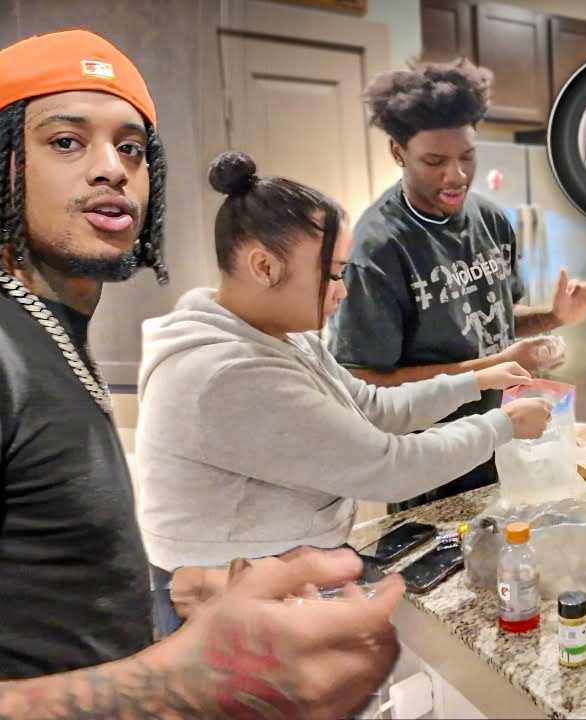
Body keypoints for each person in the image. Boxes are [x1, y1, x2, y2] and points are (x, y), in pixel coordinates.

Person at [0, 30, 402, 719]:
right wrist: (183, 680)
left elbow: (45, 610)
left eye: (129, 147)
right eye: (66, 141)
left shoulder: (46, 335)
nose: (111, 169)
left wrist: (188, 602)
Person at [135, 150, 554, 637]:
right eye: (332, 275)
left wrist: (477, 381)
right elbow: (389, 465)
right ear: (265, 266)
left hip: (273, 579)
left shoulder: (280, 335)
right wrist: (503, 425)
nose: (343, 291)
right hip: (222, 602)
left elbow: (370, 407)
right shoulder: (226, 374)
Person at [326, 57, 586, 511]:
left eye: (467, 157)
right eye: (435, 161)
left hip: (510, 441)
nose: (456, 176)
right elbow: (365, 381)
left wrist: (555, 318)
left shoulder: (489, 219)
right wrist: (496, 365)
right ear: (397, 151)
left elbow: (494, 322)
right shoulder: (379, 249)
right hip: (435, 466)